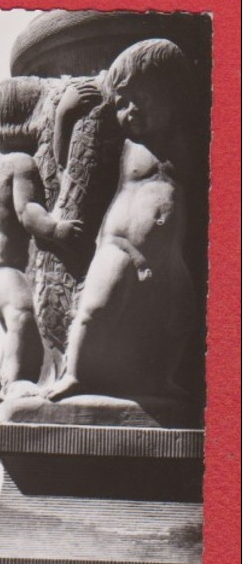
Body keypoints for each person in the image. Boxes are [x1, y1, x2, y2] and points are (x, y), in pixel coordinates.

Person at [47, 39, 196, 403]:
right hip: (120, 246)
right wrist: (64, 117)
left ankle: (161, 378)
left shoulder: (189, 141)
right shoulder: (128, 146)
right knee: (96, 308)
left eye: (140, 99)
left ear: (172, 95)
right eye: (121, 104)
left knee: (181, 313)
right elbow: (71, 168)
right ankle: (75, 373)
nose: (129, 111)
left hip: (168, 255)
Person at [0, 77, 93, 398]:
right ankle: (13, 382)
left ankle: (19, 375)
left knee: (21, 324)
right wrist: (57, 230)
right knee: (23, 317)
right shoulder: (22, 163)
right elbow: (28, 210)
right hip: (6, 271)